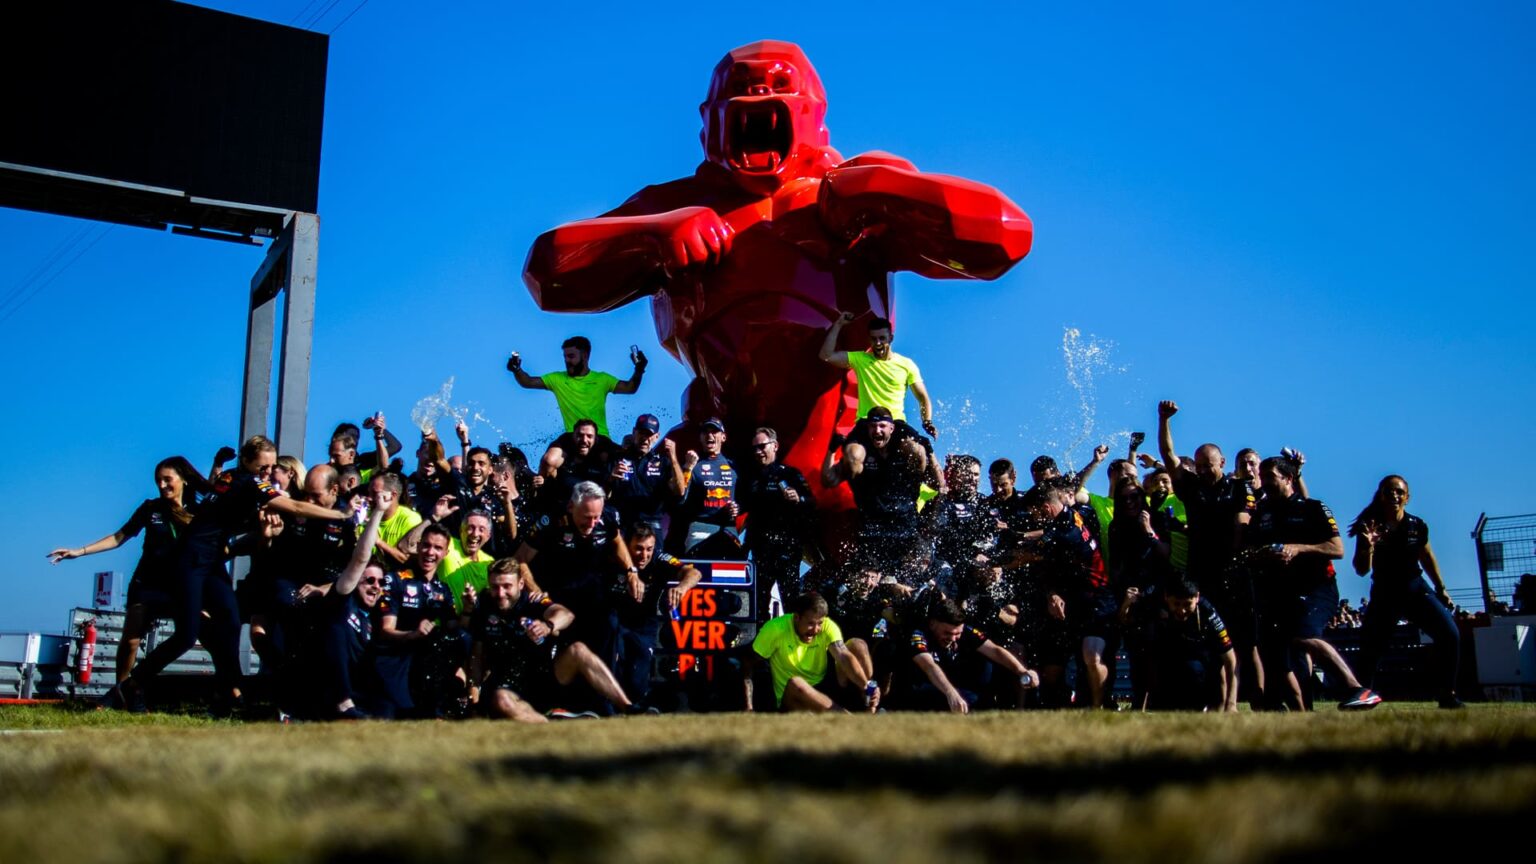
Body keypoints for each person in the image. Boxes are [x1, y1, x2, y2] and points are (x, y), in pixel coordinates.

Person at [112, 436, 349, 714]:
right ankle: (134, 683)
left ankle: (230, 692)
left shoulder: (229, 477)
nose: (268, 472)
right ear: (247, 462)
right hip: (193, 559)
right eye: (263, 466)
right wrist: (341, 516)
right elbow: (295, 508)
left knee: (231, 621)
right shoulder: (250, 481)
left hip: (212, 561)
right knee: (187, 635)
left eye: (272, 466)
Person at [49, 456, 211, 686]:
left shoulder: (198, 511)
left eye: (168, 480)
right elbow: (118, 537)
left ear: (184, 480)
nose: (162, 485)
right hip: (147, 582)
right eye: (158, 481)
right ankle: (121, 690)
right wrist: (79, 551)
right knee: (131, 640)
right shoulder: (150, 508)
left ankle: (140, 682)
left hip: (182, 584)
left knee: (196, 634)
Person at [1250, 456, 1380, 711]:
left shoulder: (1312, 508)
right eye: (1262, 477)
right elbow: (1252, 549)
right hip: (1278, 592)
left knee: (1303, 636)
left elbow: (1337, 548)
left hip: (1317, 589)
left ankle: (1357, 688)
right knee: (1275, 653)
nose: (1264, 482)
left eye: (1270, 477)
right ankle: (1302, 715)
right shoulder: (1262, 514)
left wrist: (1298, 548)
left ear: (1288, 478)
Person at [1156, 400, 1260, 699]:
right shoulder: (1191, 486)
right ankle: (1213, 698)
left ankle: (1259, 699)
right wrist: (1164, 420)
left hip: (1235, 571)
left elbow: (1243, 521)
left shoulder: (1239, 488)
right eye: (1199, 466)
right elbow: (1169, 455)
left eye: (1208, 466)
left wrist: (1234, 545)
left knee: (1246, 642)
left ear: (1222, 463)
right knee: (1207, 639)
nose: (1202, 470)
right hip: (1202, 572)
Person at [468, 558, 640, 721]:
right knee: (501, 699)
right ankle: (549, 724)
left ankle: (629, 708)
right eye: (495, 587)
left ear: (520, 584)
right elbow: (476, 657)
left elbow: (566, 614)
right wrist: (474, 700)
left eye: (507, 586)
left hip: (544, 680)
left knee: (578, 650)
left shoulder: (533, 601)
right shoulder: (484, 606)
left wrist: (547, 626)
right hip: (507, 686)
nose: (501, 593)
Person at [1348, 475, 1463, 708]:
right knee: (1371, 647)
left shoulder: (1416, 525)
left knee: (1450, 634)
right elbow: (1361, 570)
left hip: (1415, 589)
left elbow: (1427, 557)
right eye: (1389, 491)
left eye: (1399, 492)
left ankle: (1447, 694)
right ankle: (1362, 696)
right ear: (1381, 495)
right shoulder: (1370, 525)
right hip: (1384, 592)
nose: (1394, 495)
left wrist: (1441, 588)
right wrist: (1368, 547)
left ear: (1407, 498)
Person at [515, 481, 639, 669]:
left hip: (592, 591)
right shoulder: (551, 520)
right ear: (571, 507)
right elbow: (520, 558)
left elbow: (617, 541)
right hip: (557, 592)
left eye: (596, 518)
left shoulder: (608, 516)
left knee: (610, 626)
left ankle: (604, 690)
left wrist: (631, 571)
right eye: (586, 517)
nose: (591, 524)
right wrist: (535, 590)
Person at [304, 487, 387, 720]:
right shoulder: (343, 601)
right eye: (369, 580)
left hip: (363, 691)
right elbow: (361, 557)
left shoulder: (377, 616)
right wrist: (379, 512)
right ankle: (341, 703)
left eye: (380, 582)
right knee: (336, 629)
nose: (375, 586)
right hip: (327, 690)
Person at [822, 407, 927, 578]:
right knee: (871, 585)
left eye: (882, 426)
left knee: (906, 585)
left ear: (891, 429)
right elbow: (828, 480)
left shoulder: (903, 449)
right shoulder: (860, 453)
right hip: (872, 530)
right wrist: (832, 451)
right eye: (872, 426)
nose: (877, 431)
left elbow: (933, 476)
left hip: (904, 528)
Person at [374, 522, 462, 718]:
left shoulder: (442, 589)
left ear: (446, 553)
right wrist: (413, 634)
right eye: (426, 545)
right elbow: (385, 631)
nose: (430, 552)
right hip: (393, 658)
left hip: (423, 662)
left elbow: (455, 627)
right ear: (418, 546)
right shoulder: (396, 579)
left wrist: (470, 608)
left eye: (438, 548)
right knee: (390, 716)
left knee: (461, 638)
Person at [893, 598, 1036, 713]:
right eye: (947, 633)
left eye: (957, 634)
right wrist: (951, 694)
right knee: (970, 700)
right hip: (924, 686)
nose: (953, 638)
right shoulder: (919, 634)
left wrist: (1022, 671)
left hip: (956, 683)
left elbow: (995, 650)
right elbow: (929, 666)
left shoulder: (965, 631)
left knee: (988, 664)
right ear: (932, 624)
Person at [612, 524, 701, 706]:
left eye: (648, 549)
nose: (644, 555)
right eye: (638, 549)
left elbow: (694, 573)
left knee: (637, 684)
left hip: (643, 628)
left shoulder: (660, 558)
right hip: (614, 624)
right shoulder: (614, 557)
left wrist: (681, 587)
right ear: (627, 545)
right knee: (613, 662)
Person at [1122, 574, 1238, 711]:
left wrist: (1231, 705)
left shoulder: (1208, 612)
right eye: (1176, 604)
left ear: (1197, 597)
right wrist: (1126, 603)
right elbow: (1124, 620)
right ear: (1166, 597)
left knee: (1209, 667)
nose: (1181, 610)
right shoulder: (1152, 600)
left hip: (1199, 662)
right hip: (1167, 659)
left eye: (1187, 604)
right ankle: (1144, 703)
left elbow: (1230, 660)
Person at [750, 592, 878, 713]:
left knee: (857, 645)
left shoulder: (827, 626)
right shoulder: (775, 629)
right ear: (797, 618)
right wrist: (748, 707)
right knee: (796, 682)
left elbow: (843, 656)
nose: (816, 630)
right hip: (793, 697)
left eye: (819, 623)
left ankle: (870, 706)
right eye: (810, 623)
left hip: (823, 688)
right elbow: (747, 666)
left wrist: (866, 686)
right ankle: (853, 722)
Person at [739, 427, 816, 622]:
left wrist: (799, 498)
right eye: (754, 448)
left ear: (775, 446)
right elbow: (741, 506)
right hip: (761, 549)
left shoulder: (790, 474)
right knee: (759, 602)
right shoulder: (749, 477)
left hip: (787, 549)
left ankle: (793, 647)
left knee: (791, 601)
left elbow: (812, 502)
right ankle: (760, 647)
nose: (758, 452)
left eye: (762, 446)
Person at [820, 312, 938, 438]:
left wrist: (927, 421)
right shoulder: (860, 359)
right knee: (852, 453)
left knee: (919, 450)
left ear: (890, 338)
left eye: (882, 338)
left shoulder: (907, 364)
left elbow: (922, 397)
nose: (877, 343)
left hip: (895, 422)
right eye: (874, 339)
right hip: (867, 421)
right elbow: (826, 356)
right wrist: (838, 324)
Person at [506, 336, 646, 437]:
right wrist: (516, 369)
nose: (567, 361)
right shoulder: (557, 379)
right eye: (565, 357)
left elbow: (630, 388)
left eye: (571, 356)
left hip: (600, 436)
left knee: (622, 455)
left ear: (585, 355)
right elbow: (528, 382)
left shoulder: (602, 379)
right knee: (549, 460)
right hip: (572, 437)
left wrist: (639, 369)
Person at [667, 418, 743, 558]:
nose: (710, 436)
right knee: (699, 574)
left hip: (728, 528)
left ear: (723, 437)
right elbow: (680, 498)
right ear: (700, 438)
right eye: (705, 432)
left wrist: (737, 508)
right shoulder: (693, 464)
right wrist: (687, 468)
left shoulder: (735, 467)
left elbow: (744, 499)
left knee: (734, 573)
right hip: (701, 527)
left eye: (714, 431)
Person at [608, 413, 676, 534]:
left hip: (652, 526)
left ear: (656, 436)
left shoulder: (663, 461)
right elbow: (603, 495)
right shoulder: (617, 459)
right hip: (623, 525)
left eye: (649, 434)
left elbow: (679, 491)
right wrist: (611, 478)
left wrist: (673, 458)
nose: (645, 438)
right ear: (634, 432)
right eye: (641, 433)